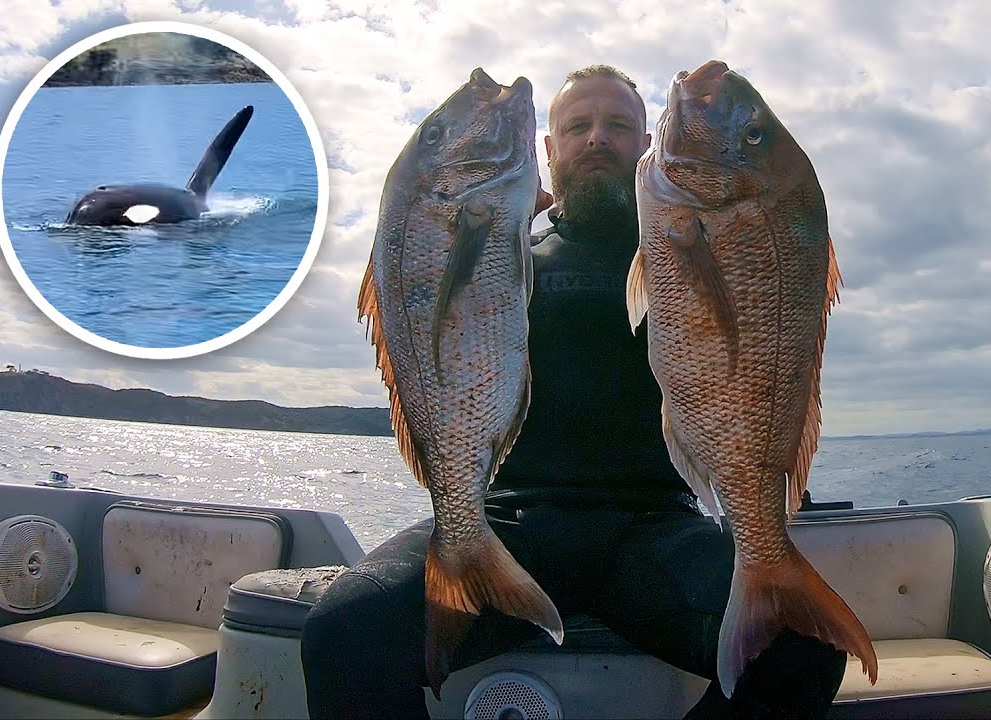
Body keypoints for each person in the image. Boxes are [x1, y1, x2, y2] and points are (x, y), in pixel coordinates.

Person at [301, 64, 849, 719]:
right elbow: (425, 328)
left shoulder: (692, 243)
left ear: (647, 142)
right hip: (510, 525)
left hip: (656, 532)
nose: (597, 139)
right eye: (577, 126)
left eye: (617, 125)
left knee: (804, 647)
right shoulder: (504, 253)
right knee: (345, 629)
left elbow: (769, 327)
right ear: (549, 150)